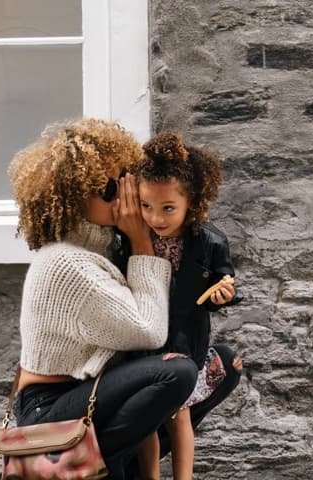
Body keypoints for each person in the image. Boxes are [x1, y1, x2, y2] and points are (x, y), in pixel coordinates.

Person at [7, 118, 199, 479]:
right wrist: (143, 243)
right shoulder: (66, 263)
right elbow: (148, 330)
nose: (125, 194)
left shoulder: (103, 249)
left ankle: (110, 467)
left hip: (87, 394)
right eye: (108, 188)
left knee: (219, 365)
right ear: (72, 196)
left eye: (127, 178)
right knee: (177, 373)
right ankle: (75, 463)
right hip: (48, 408)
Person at [119, 131, 244, 479]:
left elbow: (225, 279)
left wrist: (224, 294)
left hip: (185, 339)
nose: (157, 217)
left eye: (168, 208)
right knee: (148, 416)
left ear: (192, 201)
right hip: (144, 340)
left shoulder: (209, 241)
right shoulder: (131, 238)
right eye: (147, 206)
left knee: (180, 413)